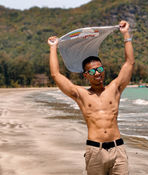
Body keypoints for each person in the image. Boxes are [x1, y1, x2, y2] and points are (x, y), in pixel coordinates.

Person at [47, 20, 134, 175]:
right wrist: (53, 48)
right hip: (95, 150)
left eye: (99, 69)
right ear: (86, 75)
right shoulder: (81, 95)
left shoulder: (115, 89)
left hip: (118, 150)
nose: (97, 73)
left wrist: (126, 34)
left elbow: (129, 63)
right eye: (93, 71)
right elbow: (56, 75)